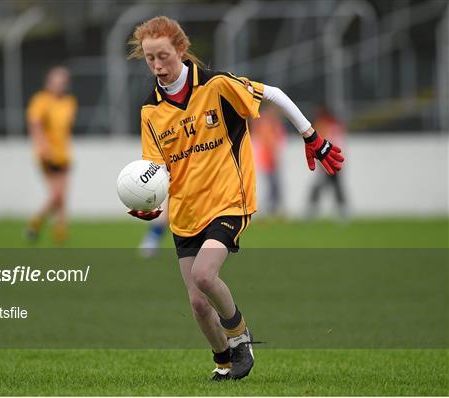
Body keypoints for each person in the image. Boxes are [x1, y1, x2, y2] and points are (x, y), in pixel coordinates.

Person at [126, 16, 344, 381]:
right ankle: (225, 361)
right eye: (149, 59)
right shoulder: (150, 110)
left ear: (181, 49)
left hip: (229, 199)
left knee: (205, 276)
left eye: (163, 55)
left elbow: (273, 94)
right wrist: (151, 204)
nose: (157, 66)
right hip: (185, 211)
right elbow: (156, 168)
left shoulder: (216, 86)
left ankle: (241, 337)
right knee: (197, 303)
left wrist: (311, 137)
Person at [25, 66, 77, 244]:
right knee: (55, 195)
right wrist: (44, 147)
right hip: (47, 154)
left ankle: (60, 234)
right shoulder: (41, 101)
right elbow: (35, 126)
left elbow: (66, 130)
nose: (59, 85)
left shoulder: (69, 102)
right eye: (56, 81)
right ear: (48, 82)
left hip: (63, 154)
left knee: (62, 195)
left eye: (62, 82)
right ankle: (36, 221)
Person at [307, 105, 349, 220]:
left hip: (329, 162)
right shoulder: (334, 126)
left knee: (328, 186)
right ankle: (341, 210)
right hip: (332, 162)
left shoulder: (325, 126)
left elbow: (325, 144)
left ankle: (313, 209)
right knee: (333, 186)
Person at [250, 105, 287, 217]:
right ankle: (269, 209)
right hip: (269, 159)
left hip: (270, 158)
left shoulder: (268, 123)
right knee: (273, 186)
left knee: (274, 186)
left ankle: (271, 209)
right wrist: (273, 157)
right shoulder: (267, 124)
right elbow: (269, 142)